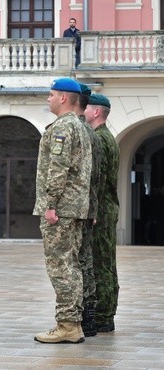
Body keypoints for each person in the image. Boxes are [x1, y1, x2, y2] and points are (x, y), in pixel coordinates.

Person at [33, 78, 92, 343]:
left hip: (62, 208)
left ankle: (67, 324)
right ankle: (73, 323)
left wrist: (51, 205)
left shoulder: (63, 127)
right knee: (72, 266)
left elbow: (58, 169)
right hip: (75, 207)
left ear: (64, 98)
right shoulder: (78, 125)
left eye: (51, 94)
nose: (48, 98)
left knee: (60, 267)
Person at [84, 93, 120, 333]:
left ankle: (103, 315)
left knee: (100, 263)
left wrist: (92, 210)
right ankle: (106, 313)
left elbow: (98, 178)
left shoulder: (100, 139)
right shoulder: (108, 137)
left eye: (86, 108)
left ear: (96, 112)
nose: (83, 111)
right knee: (106, 261)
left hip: (102, 210)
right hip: (107, 207)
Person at [75, 83, 101, 337]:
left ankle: (79, 318)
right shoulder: (92, 133)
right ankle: (89, 317)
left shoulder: (78, 131)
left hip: (76, 208)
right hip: (87, 207)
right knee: (86, 263)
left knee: (75, 264)